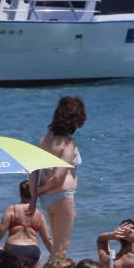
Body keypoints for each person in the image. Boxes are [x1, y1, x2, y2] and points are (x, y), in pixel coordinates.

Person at [29, 96, 84, 257]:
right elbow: (59, 177)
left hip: (47, 199)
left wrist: (34, 197)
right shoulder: (68, 144)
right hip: (63, 196)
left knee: (56, 249)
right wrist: (39, 190)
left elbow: (34, 170)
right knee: (61, 250)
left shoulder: (44, 140)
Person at [0, 180, 52, 265]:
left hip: (13, 249)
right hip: (32, 251)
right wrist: (56, 256)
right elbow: (48, 240)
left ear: (20, 193)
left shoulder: (12, 209)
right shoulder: (39, 214)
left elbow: (1, 230)